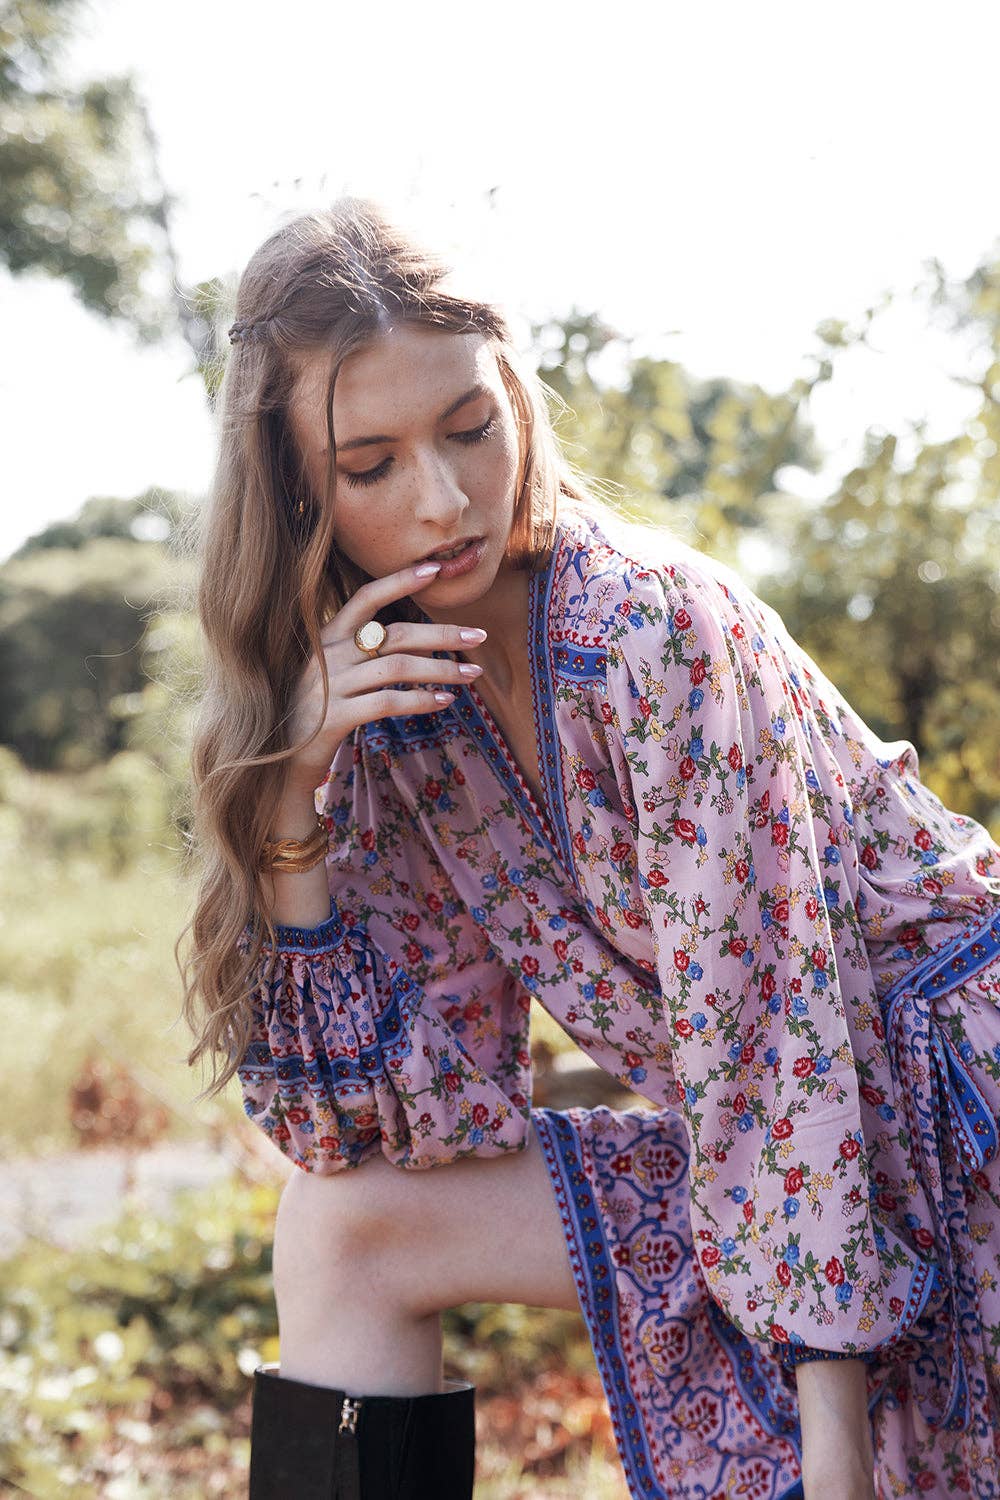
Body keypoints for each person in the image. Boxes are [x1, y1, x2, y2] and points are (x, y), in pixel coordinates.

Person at [178, 196, 1000, 1500]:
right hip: (788, 1175)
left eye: (469, 428)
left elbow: (774, 1027)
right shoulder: (399, 716)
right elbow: (389, 1128)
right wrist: (290, 799)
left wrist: (833, 1438)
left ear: (515, 397)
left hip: (954, 1111)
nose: (444, 500)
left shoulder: (646, 628)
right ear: (295, 491)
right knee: (345, 1231)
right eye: (371, 465)